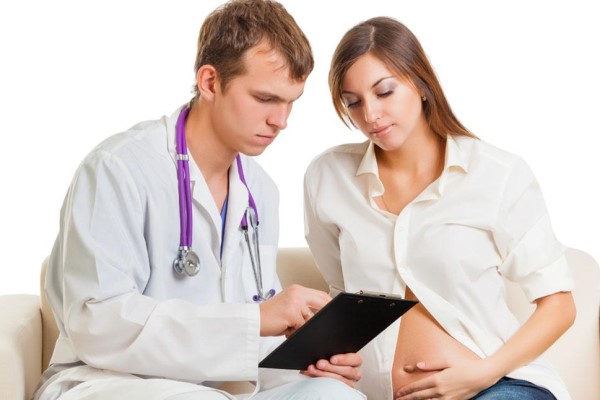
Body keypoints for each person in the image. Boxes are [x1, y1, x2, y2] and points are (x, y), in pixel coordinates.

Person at [34, 1, 365, 399]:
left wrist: (307, 364)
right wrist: (256, 319)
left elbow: (249, 336)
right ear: (210, 82)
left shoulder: (259, 190)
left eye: (290, 101)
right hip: (104, 381)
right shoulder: (117, 168)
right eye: (265, 98)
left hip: (209, 389)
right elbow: (98, 324)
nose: (281, 120)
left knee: (335, 395)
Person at [304, 16, 576, 400]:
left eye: (384, 92)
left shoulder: (497, 173)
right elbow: (342, 291)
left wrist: (481, 374)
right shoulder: (328, 177)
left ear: (420, 83)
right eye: (353, 102)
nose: (370, 115)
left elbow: (559, 305)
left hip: (497, 386)